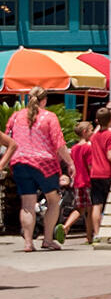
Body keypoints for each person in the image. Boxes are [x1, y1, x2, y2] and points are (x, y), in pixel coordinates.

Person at [4, 87, 73, 252]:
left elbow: (7, 138)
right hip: (44, 164)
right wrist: (70, 163)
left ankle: (28, 243)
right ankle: (48, 239)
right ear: (45, 100)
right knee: (53, 200)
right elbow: (59, 145)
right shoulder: (49, 117)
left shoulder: (15, 116)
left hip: (19, 162)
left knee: (27, 203)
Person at [59, 122, 96, 245]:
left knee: (79, 209)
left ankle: (65, 226)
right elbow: (90, 166)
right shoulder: (88, 148)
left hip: (77, 182)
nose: (92, 132)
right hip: (87, 182)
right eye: (91, 130)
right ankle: (90, 237)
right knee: (90, 211)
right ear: (85, 132)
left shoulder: (74, 148)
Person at [87, 107, 111, 237]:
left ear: (96, 121)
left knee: (97, 204)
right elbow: (110, 155)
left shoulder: (94, 137)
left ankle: (97, 233)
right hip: (108, 173)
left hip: (95, 173)